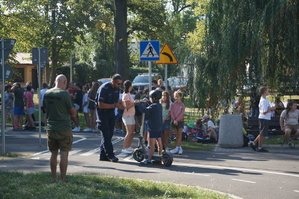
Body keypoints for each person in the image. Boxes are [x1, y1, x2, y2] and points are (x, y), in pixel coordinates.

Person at [43, 74, 77, 182]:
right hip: (64, 127)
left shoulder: (47, 93)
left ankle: (53, 177)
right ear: (64, 82)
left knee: (53, 153)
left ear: (54, 82)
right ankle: (62, 178)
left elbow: (45, 109)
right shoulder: (64, 94)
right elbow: (73, 112)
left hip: (51, 126)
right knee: (64, 152)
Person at [96, 74, 124, 162]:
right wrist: (115, 105)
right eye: (118, 84)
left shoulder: (116, 89)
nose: (119, 86)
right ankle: (111, 155)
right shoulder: (104, 88)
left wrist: (123, 106)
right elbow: (100, 105)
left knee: (109, 134)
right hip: (102, 114)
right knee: (106, 135)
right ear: (113, 81)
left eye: (120, 84)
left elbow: (117, 100)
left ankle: (103, 155)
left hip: (111, 112)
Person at [138, 89, 163, 165]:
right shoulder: (159, 105)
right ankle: (160, 156)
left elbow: (144, 110)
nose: (150, 99)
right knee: (159, 142)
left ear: (154, 98)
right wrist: (148, 102)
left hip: (152, 127)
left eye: (151, 98)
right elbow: (151, 107)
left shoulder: (153, 106)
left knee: (151, 144)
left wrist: (138, 103)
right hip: (158, 126)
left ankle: (149, 159)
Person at [250, 86, 276, 152]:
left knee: (262, 133)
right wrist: (271, 109)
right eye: (267, 91)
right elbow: (264, 112)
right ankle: (259, 147)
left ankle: (254, 143)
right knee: (262, 133)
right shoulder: (264, 101)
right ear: (265, 92)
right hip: (264, 118)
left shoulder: (264, 100)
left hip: (265, 118)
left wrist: (271, 108)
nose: (268, 92)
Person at [121, 80, 136, 153]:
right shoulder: (126, 95)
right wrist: (135, 103)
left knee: (132, 132)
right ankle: (124, 147)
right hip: (127, 115)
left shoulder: (129, 94)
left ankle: (128, 146)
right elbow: (127, 106)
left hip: (131, 115)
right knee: (129, 132)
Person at [169, 90, 185, 155]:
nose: (176, 98)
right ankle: (177, 147)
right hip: (174, 121)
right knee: (176, 134)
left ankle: (179, 147)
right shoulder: (173, 105)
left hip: (180, 121)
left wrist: (177, 120)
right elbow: (171, 112)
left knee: (179, 134)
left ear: (180, 97)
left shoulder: (182, 105)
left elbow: (182, 113)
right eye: (175, 96)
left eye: (177, 96)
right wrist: (174, 120)